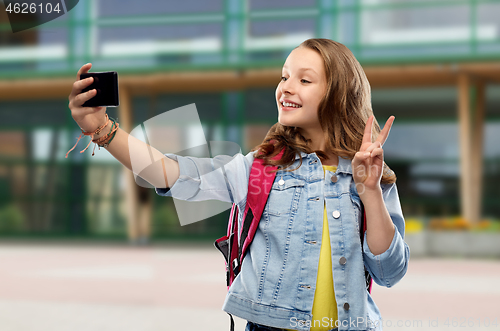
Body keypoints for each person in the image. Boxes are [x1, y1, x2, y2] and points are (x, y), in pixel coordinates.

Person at [68, 38, 409, 331]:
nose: (286, 87)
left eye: (304, 80)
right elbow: (171, 173)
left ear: (339, 94)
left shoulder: (370, 175)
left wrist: (370, 191)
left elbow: (389, 272)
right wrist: (103, 130)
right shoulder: (259, 168)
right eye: (284, 76)